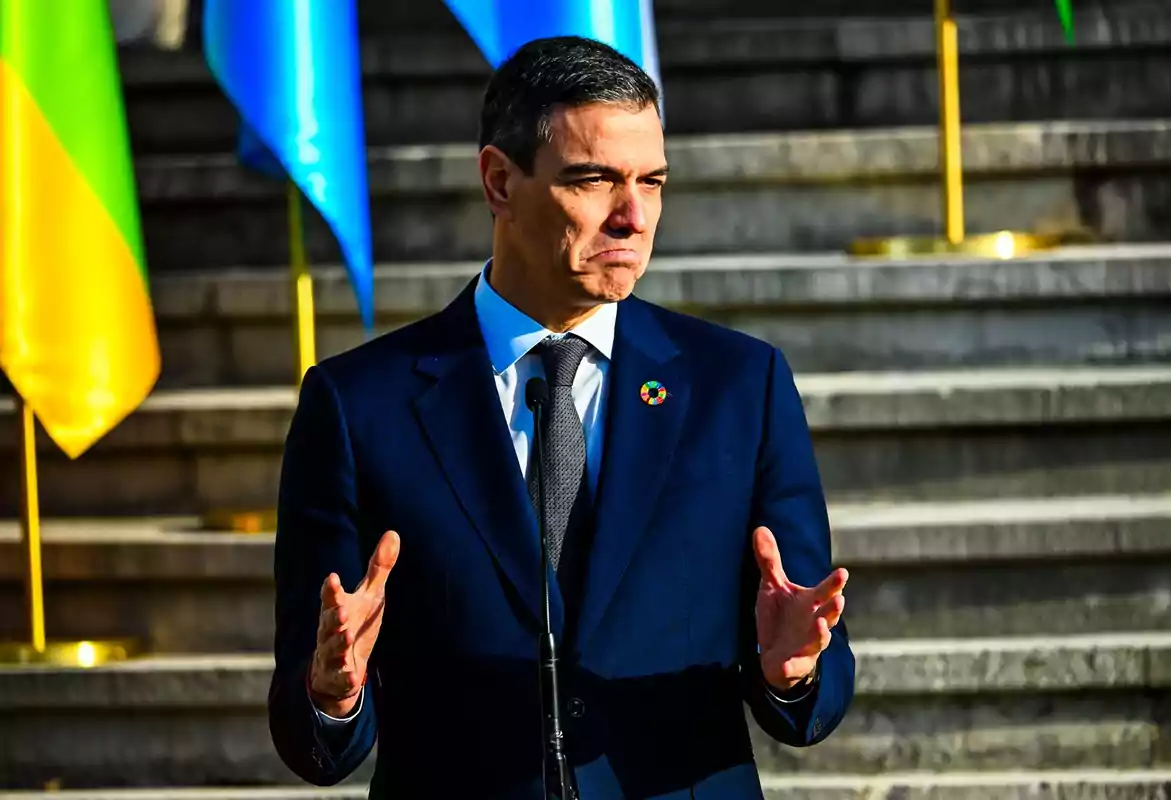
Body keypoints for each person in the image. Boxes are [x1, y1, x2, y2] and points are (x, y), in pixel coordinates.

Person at [269, 35, 854, 800]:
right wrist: (333, 694)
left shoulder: (740, 387)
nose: (634, 216)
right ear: (499, 182)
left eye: (653, 181)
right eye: (594, 181)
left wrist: (795, 670)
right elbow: (311, 736)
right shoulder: (357, 405)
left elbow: (815, 688)